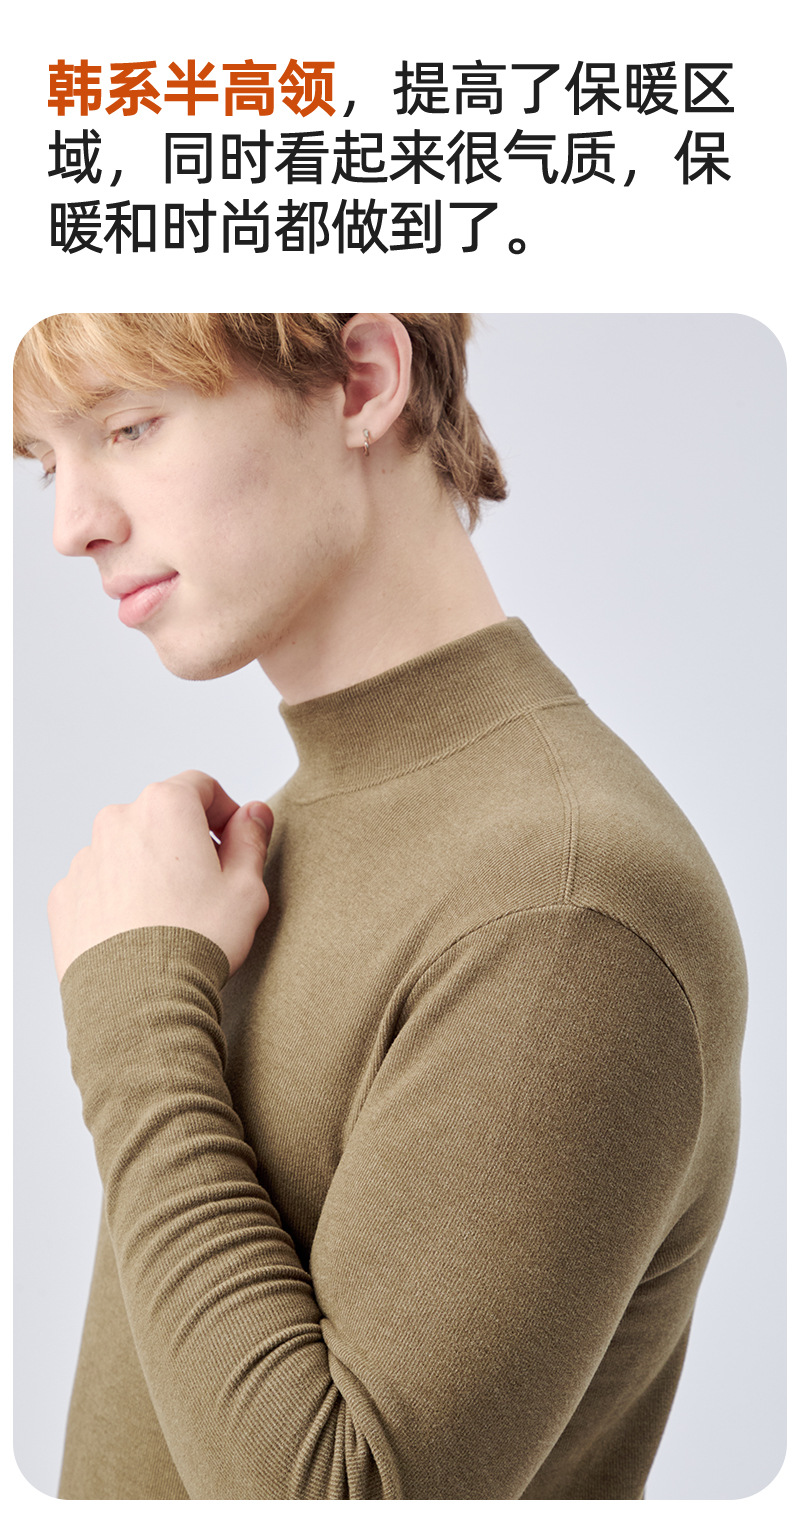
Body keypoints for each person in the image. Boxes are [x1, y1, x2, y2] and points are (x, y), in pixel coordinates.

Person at [13, 312, 747, 1501]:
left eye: (130, 427)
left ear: (360, 381)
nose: (72, 524)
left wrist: (135, 1016)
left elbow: (335, 1490)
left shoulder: (561, 902)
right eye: (49, 462)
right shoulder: (282, 844)